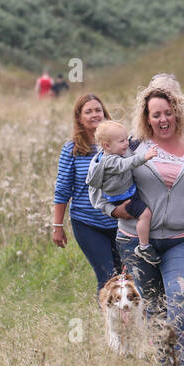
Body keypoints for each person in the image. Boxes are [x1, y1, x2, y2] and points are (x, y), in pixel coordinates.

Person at [92, 76, 184, 366]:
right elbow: (96, 186)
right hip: (135, 241)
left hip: (183, 239)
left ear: (178, 113)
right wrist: (113, 211)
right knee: (154, 309)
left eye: (168, 112)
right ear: (146, 117)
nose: (163, 119)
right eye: (156, 114)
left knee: (180, 307)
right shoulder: (131, 148)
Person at [52, 94, 123, 294]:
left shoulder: (120, 143)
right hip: (87, 223)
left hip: (120, 221)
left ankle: (128, 321)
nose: (94, 115)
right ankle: (111, 324)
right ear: (79, 118)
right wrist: (57, 226)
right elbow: (62, 189)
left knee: (125, 275)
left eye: (98, 110)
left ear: (105, 113)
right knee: (107, 276)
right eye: (88, 112)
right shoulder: (72, 149)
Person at [86, 120, 158, 263]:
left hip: (126, 192)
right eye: (121, 141)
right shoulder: (110, 161)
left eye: (126, 139)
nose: (126, 143)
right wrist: (145, 157)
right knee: (145, 214)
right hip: (124, 199)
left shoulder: (108, 153)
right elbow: (125, 164)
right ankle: (144, 246)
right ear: (107, 145)